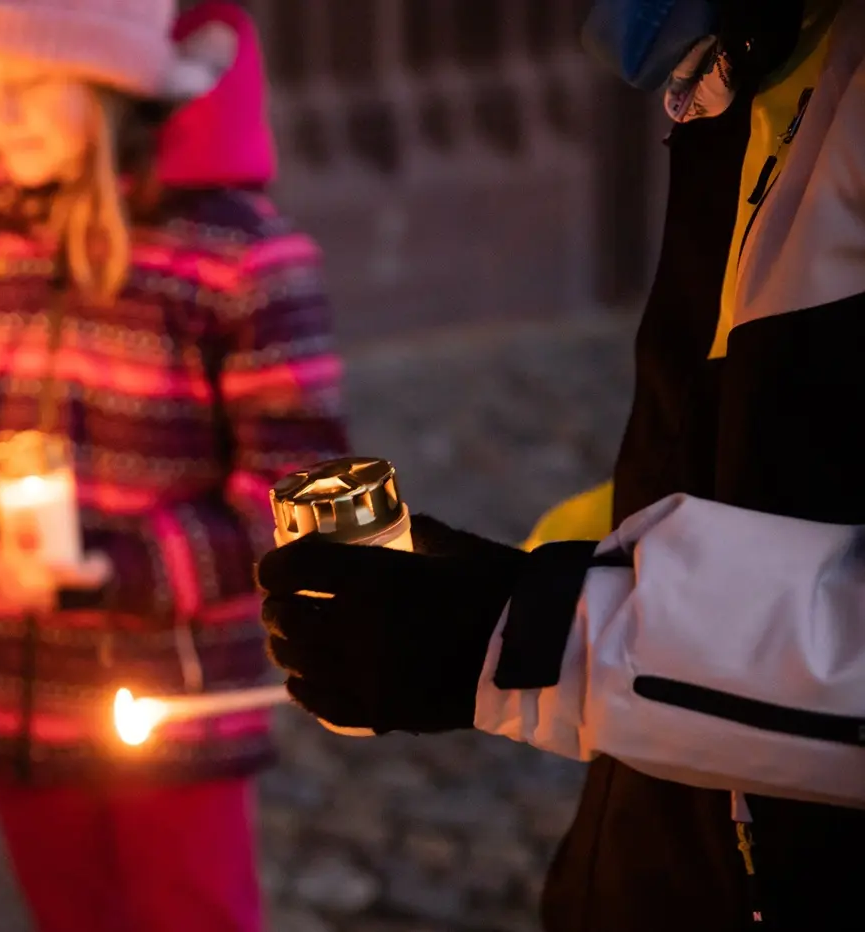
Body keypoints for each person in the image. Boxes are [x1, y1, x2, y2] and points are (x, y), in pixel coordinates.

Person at [258, 1, 865, 930]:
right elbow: (754, 466)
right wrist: (540, 569)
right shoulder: (768, 58)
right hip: (672, 848)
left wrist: (535, 630)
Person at [0, 2, 349, 930]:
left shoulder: (243, 263)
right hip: (7, 693)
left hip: (171, 703)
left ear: (115, 89)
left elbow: (304, 503)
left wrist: (118, 569)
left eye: (28, 84)